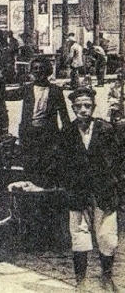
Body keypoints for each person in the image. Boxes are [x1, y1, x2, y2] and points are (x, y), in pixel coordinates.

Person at [53, 87, 123, 291]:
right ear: (73, 108)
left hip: (104, 189)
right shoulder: (67, 132)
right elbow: (61, 162)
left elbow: (118, 161)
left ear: (93, 107)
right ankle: (80, 282)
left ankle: (107, 278)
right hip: (78, 190)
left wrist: (117, 185)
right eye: (79, 106)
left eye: (87, 105)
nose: (84, 110)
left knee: (107, 236)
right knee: (79, 233)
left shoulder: (106, 129)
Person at [5, 56, 70, 182]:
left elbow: (64, 114)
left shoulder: (55, 91)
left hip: (48, 134)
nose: (38, 72)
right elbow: (7, 95)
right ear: (32, 72)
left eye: (42, 68)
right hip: (29, 133)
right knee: (29, 166)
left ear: (47, 71)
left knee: (47, 166)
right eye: (35, 69)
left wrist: (65, 135)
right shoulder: (27, 89)